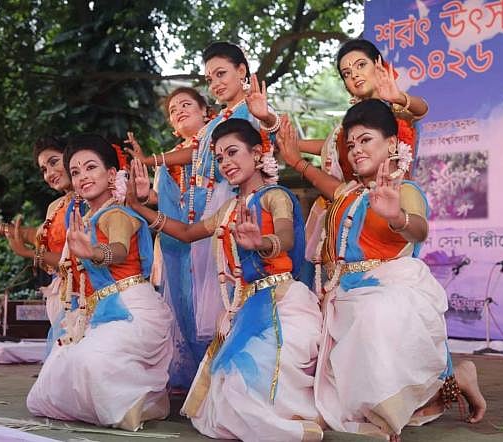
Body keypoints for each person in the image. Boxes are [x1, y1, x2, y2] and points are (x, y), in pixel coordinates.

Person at [280, 100, 485, 441]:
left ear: (391, 143)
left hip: (384, 289)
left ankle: (385, 416)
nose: (356, 150)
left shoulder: (404, 190)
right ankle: (454, 380)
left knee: (373, 314)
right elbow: (320, 179)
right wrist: (295, 161)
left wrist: (396, 217)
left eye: (365, 140)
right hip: (337, 293)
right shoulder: (347, 192)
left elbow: (418, 229)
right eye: (351, 144)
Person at [128, 118, 323, 442]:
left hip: (282, 303)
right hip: (244, 308)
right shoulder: (229, 209)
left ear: (258, 153)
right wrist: (139, 207)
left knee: (244, 393)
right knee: (221, 398)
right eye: (219, 158)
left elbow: (286, 238)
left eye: (232, 152)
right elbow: (188, 233)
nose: (226, 163)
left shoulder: (276, 196)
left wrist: (260, 242)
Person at [26, 134, 174, 431]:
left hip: (132, 309)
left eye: (91, 168)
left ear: (110, 175)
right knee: (46, 389)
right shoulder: (84, 219)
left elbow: (117, 250)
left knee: (89, 363)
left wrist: (93, 252)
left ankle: (145, 400)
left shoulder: (116, 213)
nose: (82, 177)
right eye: (76, 171)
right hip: (98, 312)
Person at [299, 39, 429, 280]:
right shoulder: (348, 123)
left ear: (379, 65)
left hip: (387, 203)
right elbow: (331, 146)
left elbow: (420, 110)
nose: (355, 75)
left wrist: (399, 97)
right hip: (348, 204)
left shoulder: (394, 110)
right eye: (347, 73)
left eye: (361, 65)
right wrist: (292, 145)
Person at [124, 87, 222, 389]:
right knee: (183, 303)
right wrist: (144, 195)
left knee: (211, 303)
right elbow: (165, 198)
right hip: (176, 239)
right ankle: (194, 379)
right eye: (173, 110)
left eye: (186, 104)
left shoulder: (214, 140)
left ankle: (216, 377)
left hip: (208, 233)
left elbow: (194, 154)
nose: (178, 110)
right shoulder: (170, 157)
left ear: (205, 111)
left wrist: (150, 159)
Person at [0, 136, 83, 353]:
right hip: (59, 294)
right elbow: (34, 234)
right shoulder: (56, 206)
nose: (49, 173)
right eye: (43, 169)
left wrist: (31, 254)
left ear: (72, 158)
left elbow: (75, 260)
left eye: (53, 162)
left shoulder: (89, 200)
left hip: (82, 297)